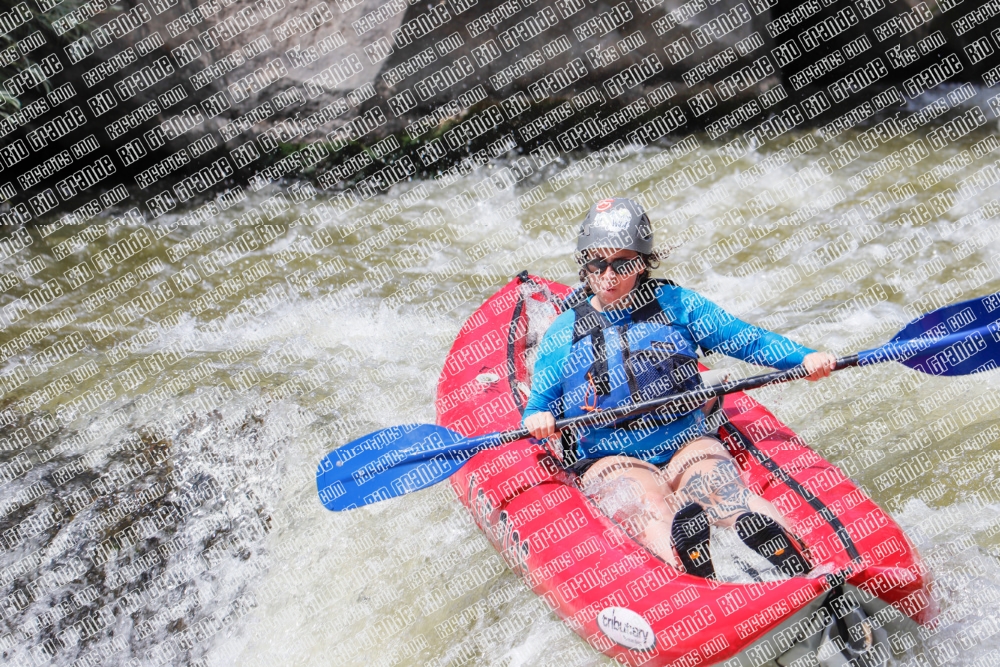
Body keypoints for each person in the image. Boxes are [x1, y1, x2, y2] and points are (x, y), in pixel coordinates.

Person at [522, 197, 837, 580]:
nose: (607, 274)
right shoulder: (564, 332)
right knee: (647, 505)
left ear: (643, 262)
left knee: (724, 493)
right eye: (596, 263)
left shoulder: (678, 305)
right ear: (585, 263)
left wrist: (803, 359)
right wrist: (537, 417)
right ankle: (689, 562)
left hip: (687, 441)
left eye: (622, 262)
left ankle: (801, 563)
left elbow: (747, 340)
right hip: (612, 456)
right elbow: (539, 403)